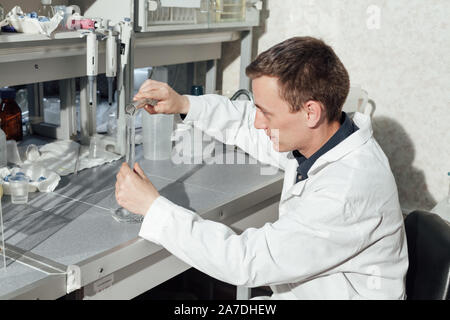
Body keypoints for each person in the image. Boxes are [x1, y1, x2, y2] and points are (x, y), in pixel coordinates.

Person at [115, 36, 408, 299]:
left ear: (310, 112)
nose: (257, 122)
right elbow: (243, 123)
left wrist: (153, 208)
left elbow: (247, 261)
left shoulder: (347, 190)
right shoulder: (322, 138)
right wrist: (183, 103)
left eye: (265, 112)